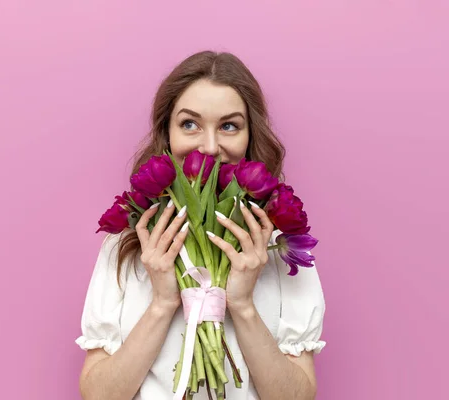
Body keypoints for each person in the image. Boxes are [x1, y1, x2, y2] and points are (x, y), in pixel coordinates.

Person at [75, 50, 326, 400]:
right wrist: (163, 302)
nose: (209, 147)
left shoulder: (279, 248)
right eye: (189, 124)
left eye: (229, 126)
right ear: (167, 133)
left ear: (250, 136)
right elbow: (98, 395)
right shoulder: (128, 246)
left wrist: (242, 305)